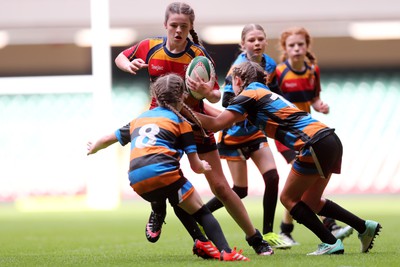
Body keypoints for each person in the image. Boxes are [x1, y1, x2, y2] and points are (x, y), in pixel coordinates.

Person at [114, 2, 273, 257]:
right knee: (163, 177)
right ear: (166, 25)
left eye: (184, 27)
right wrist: (128, 65)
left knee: (221, 187)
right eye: (174, 25)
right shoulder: (150, 47)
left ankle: (255, 238)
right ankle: (160, 211)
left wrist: (207, 92)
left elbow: (215, 95)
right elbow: (121, 56)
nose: (178, 30)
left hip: (195, 123)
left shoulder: (198, 56)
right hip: (162, 125)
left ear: (190, 28)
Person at [188, 60, 382, 255]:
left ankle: (330, 242)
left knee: (288, 198)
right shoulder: (262, 94)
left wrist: (182, 109)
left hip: (312, 143)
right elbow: (225, 118)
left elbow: (215, 125)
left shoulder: (248, 95)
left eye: (232, 83)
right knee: (312, 201)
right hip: (329, 139)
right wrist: (202, 104)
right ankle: (364, 227)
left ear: (238, 80)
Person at [86, 74, 249, 261]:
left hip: (136, 181)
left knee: (176, 193)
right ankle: (226, 252)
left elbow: (107, 139)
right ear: (183, 96)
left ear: (155, 95)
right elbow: (196, 167)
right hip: (163, 175)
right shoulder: (181, 123)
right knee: (200, 210)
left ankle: (165, 214)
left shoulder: (140, 119)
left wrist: (94, 147)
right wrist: (204, 166)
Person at [204, 24, 291, 249]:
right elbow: (226, 102)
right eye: (252, 40)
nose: (257, 43)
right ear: (243, 45)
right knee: (239, 191)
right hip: (233, 135)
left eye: (260, 39)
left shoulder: (270, 64)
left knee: (272, 178)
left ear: (266, 41)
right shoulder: (237, 69)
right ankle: (200, 213)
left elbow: (276, 92)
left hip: (255, 132)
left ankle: (270, 233)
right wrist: (251, 106)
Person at [275, 26, 353, 245]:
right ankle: (330, 224)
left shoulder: (312, 71)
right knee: (302, 181)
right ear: (285, 48)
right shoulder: (279, 73)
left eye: (300, 44)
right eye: (292, 45)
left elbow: (314, 99)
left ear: (307, 46)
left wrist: (321, 106)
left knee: (298, 187)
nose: (297, 48)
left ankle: (286, 229)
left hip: (307, 134)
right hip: (286, 135)